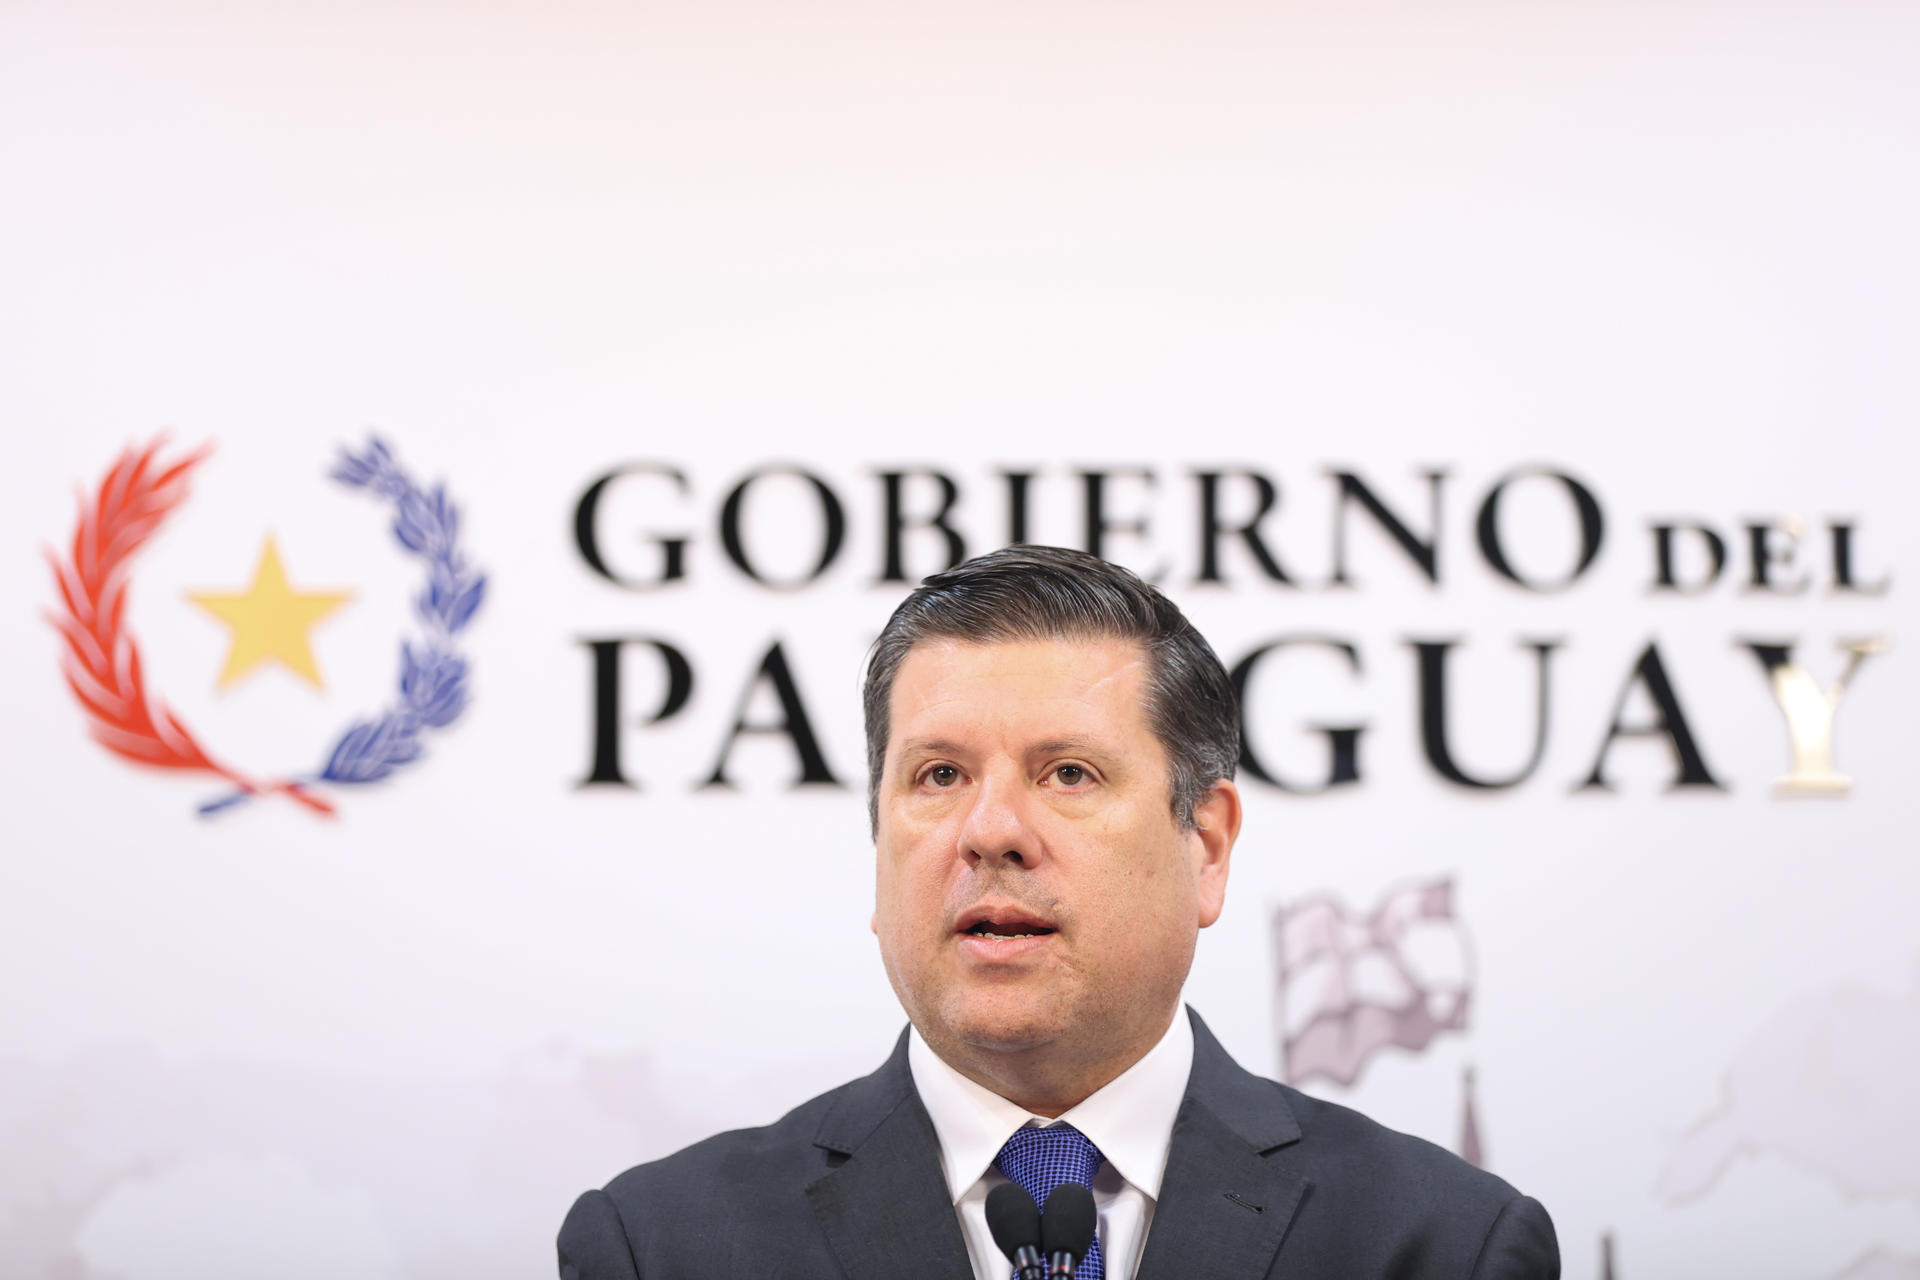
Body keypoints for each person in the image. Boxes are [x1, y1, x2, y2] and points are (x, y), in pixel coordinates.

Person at [558, 545, 1559, 1279]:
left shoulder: (1438, 1245)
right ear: (878, 843)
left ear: (1205, 845)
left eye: (1068, 772)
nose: (990, 829)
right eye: (939, 774)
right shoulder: (662, 1246)